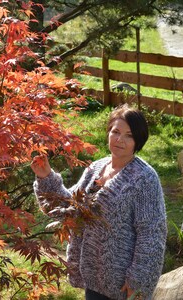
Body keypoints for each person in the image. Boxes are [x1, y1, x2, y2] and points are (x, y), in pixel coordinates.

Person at [31, 104, 167, 300]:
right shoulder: (97, 167)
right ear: (108, 132)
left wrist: (137, 279)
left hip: (122, 285)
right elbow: (70, 209)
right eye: (116, 131)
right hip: (93, 278)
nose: (120, 139)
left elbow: (152, 234)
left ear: (139, 140)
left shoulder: (144, 178)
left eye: (129, 135)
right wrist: (46, 178)